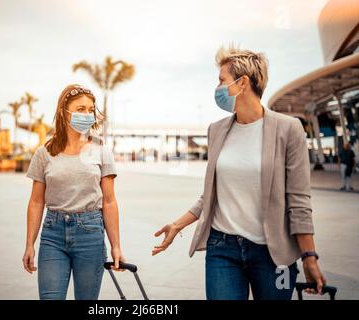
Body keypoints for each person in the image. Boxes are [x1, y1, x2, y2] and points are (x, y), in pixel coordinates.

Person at [152, 46, 326, 300]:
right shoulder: (217, 130)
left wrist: (309, 256)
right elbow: (211, 194)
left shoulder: (288, 129)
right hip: (222, 248)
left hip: (272, 253)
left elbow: (298, 200)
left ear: (242, 83)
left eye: (222, 80)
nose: (218, 88)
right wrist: (177, 225)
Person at [23, 84, 125, 300]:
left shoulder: (101, 150)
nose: (87, 115)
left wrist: (116, 246)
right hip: (53, 234)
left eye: (90, 110)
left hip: (91, 234)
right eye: (80, 109)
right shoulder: (44, 153)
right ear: (64, 112)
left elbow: (109, 201)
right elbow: (36, 202)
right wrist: (29, 244)